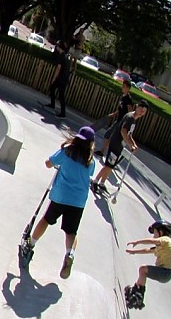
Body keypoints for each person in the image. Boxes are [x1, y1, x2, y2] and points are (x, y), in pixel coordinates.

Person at [22, 126, 96, 279]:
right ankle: (70, 254)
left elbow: (48, 163)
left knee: (46, 220)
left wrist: (56, 164)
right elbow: (88, 174)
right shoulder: (91, 161)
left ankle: (31, 244)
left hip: (61, 195)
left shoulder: (67, 151)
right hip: (78, 201)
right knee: (71, 231)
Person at [92, 100, 147, 194]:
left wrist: (133, 144)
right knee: (108, 165)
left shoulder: (134, 120)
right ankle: (95, 182)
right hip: (115, 143)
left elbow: (129, 134)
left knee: (111, 166)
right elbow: (123, 131)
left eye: (144, 111)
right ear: (137, 107)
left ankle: (101, 183)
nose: (142, 112)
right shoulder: (130, 117)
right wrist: (130, 145)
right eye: (141, 109)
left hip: (119, 145)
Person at [124, 221, 171, 310]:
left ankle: (139, 297)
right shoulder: (161, 247)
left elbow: (151, 241)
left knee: (143, 269)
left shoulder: (165, 240)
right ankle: (135, 291)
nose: (154, 235)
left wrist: (137, 242)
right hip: (166, 273)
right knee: (143, 273)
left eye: (155, 232)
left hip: (166, 272)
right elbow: (147, 250)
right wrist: (134, 252)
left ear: (161, 232)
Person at [97, 79, 134, 156]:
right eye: (122, 86)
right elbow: (120, 109)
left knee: (109, 134)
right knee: (110, 136)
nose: (122, 87)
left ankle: (104, 152)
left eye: (124, 86)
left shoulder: (128, 99)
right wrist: (114, 114)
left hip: (121, 122)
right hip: (118, 120)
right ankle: (103, 151)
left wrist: (127, 122)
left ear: (128, 88)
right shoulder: (123, 97)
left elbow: (130, 112)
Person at [45, 41, 72, 117]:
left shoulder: (61, 56)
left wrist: (54, 78)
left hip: (61, 78)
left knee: (60, 94)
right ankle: (52, 104)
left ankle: (62, 113)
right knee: (53, 89)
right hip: (64, 78)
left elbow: (58, 68)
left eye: (57, 46)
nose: (56, 48)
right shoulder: (66, 56)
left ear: (60, 47)